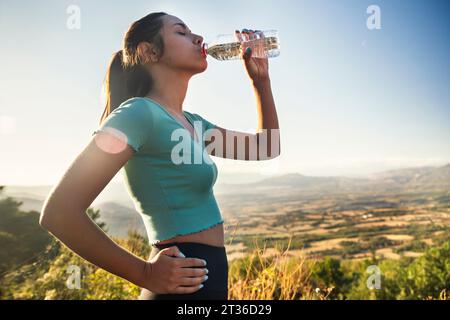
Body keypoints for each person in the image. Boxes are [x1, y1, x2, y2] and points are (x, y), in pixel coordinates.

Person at [39, 12, 280, 300]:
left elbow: (266, 147)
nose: (199, 38)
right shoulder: (138, 114)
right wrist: (145, 274)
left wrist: (261, 81)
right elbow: (59, 212)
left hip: (209, 277)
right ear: (149, 51)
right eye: (181, 32)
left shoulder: (192, 123)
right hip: (178, 284)